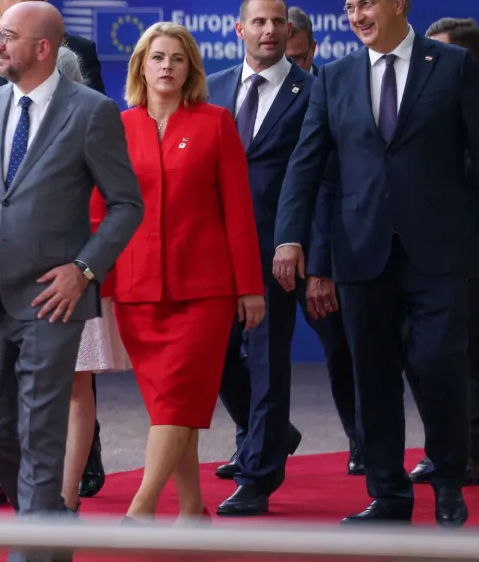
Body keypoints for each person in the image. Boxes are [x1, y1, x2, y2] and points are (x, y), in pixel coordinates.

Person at [273, 0, 479, 527]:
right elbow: (306, 164)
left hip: (439, 250)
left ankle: (449, 483)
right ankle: (388, 495)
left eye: (368, 3)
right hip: (359, 251)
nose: (357, 14)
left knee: (438, 365)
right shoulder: (334, 77)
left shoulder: (450, 67)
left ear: (400, 4)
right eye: (350, 6)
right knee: (373, 376)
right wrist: (291, 239)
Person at [0, 3, 143, 560]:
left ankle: (32, 547)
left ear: (42, 48)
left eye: (6, 37)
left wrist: (84, 270)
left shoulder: (92, 112)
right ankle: (50, 520)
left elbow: (127, 205)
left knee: (41, 430)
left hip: (54, 302)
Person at [103, 21, 264, 522]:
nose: (167, 66)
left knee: (176, 401)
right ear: (141, 67)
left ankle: (141, 509)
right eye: (157, 58)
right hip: (136, 291)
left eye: (177, 58)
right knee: (174, 408)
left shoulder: (215, 122)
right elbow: (100, 211)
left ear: (190, 67)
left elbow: (238, 212)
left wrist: (250, 288)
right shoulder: (117, 128)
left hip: (204, 293)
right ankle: (192, 510)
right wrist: (98, 285)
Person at [206, 0, 311, 516]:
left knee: (268, 359)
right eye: (259, 22)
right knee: (217, 357)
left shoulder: (313, 91)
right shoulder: (211, 87)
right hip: (213, 248)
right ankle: (270, 432)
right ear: (239, 28)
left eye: (277, 23)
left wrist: (300, 241)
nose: (269, 31)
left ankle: (258, 475)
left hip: (276, 250)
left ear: (288, 30)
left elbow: (316, 175)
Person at [408, 16, 479, 488]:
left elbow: (473, 182)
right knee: (425, 355)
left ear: (465, 60)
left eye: (437, 53)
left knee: (473, 354)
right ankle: (439, 449)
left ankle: (471, 454)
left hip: (472, 252)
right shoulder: (419, 106)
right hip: (418, 252)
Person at [55, 45, 133, 515]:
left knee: (74, 386)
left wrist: (88, 267)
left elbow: (118, 204)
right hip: (15, 278)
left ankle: (64, 497)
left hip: (78, 275)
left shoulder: (96, 123)